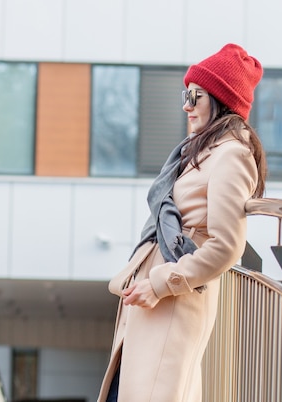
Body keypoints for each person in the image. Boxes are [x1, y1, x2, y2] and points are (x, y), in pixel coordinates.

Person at [97, 43, 267, 402]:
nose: (186, 105)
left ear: (221, 100)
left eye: (196, 95)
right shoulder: (200, 151)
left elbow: (226, 245)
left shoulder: (233, 155)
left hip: (173, 298)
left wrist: (160, 284)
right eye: (185, 94)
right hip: (154, 298)